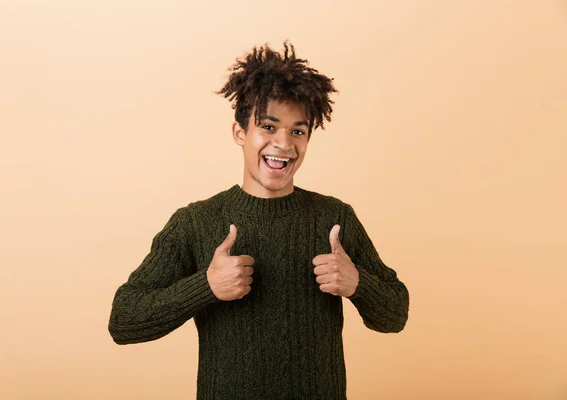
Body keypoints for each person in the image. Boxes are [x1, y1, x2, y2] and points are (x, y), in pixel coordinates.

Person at [108, 41, 410, 400]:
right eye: (268, 126)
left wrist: (357, 282)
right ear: (240, 133)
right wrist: (205, 287)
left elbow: (395, 315)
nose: (283, 143)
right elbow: (124, 320)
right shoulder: (196, 222)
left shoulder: (335, 218)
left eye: (298, 131)